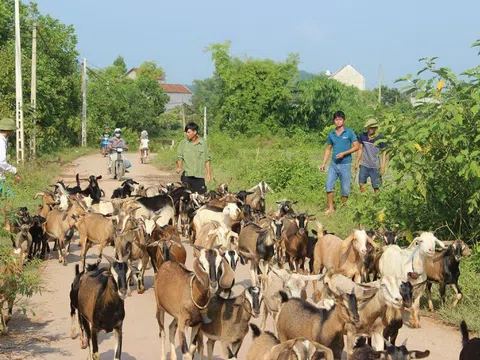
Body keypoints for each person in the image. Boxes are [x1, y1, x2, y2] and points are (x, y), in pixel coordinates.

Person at [320, 111, 359, 214]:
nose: (338, 121)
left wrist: (344, 153)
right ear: (334, 121)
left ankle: (344, 208)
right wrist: (323, 163)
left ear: (344, 120)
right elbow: (328, 149)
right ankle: (331, 208)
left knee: (345, 189)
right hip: (333, 164)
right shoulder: (331, 134)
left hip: (345, 164)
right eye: (336, 119)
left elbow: (356, 147)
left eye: (340, 119)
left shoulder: (349, 132)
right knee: (328, 184)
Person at [176, 122, 211, 194]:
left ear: (195, 132)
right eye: (186, 132)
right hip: (187, 176)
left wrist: (208, 173)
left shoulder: (203, 143)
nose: (187, 134)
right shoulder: (183, 143)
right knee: (186, 197)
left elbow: (207, 159)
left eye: (188, 132)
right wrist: (179, 167)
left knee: (200, 197)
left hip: (199, 176)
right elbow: (180, 158)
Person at [354, 119, 387, 192]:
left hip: (375, 166)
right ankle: (365, 199)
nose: (370, 129)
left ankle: (377, 201)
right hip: (364, 164)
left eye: (372, 128)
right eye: (369, 127)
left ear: (375, 128)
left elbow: (384, 152)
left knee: (376, 186)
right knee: (361, 183)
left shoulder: (380, 138)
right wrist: (356, 162)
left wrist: (383, 166)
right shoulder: (363, 135)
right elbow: (360, 149)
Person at [0, 118, 20, 198]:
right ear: (8, 130)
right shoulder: (1, 141)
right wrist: (14, 170)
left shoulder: (3, 139)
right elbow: (1, 161)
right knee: (10, 199)